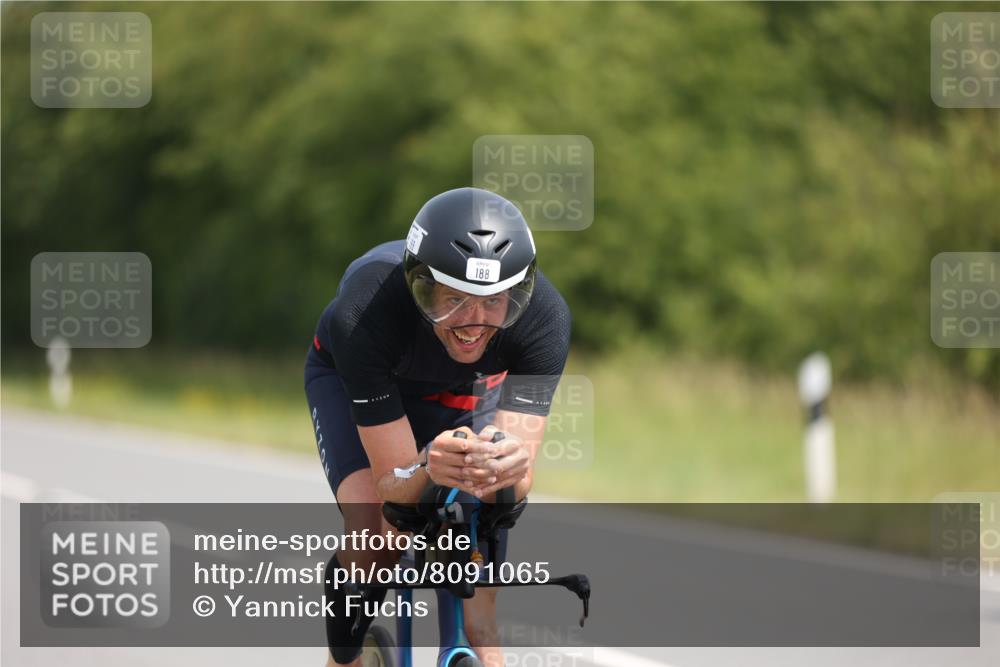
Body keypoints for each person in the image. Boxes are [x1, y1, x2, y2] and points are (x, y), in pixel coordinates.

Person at [304, 187, 572, 667]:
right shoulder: (364, 311)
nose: (473, 322)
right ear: (419, 284)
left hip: (467, 392)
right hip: (365, 383)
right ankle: (343, 658)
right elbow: (393, 483)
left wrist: (506, 469)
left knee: (481, 608)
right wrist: (429, 466)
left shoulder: (544, 321)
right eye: (453, 299)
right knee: (377, 536)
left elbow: (520, 478)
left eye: (494, 302)